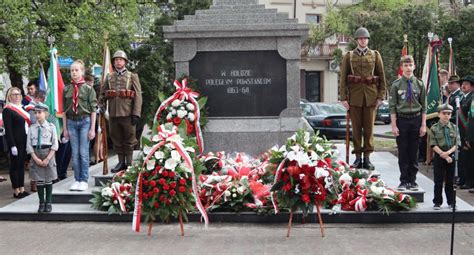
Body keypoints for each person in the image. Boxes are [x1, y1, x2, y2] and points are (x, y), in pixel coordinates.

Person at [339, 27, 387, 170]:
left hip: (371, 98)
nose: (363, 40)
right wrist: (343, 98)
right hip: (354, 98)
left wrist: (380, 96)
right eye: (360, 38)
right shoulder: (349, 56)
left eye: (365, 38)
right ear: (356, 40)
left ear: (368, 40)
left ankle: (367, 158)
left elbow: (382, 77)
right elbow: (343, 79)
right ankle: (358, 158)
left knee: (369, 130)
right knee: (356, 129)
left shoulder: (375, 55)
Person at [100, 50, 142, 173]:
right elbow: (103, 94)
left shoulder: (132, 76)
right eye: (116, 60)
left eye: (120, 59)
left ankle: (129, 163)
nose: (118, 62)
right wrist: (101, 104)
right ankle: (120, 162)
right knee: (116, 138)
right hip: (113, 113)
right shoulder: (109, 77)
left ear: (125, 62)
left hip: (128, 113)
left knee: (129, 139)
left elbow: (138, 96)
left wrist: (136, 113)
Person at [389, 55, 427, 191]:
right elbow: (392, 107)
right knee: (403, 151)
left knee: (414, 152)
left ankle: (413, 180)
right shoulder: (396, 85)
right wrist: (394, 125)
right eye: (405, 65)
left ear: (414, 67)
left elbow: (424, 107)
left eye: (410, 65)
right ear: (402, 68)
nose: (408, 68)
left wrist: (423, 124)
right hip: (402, 120)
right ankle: (404, 180)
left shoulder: (420, 84)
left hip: (416, 120)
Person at [63, 60, 97, 191]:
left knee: (83, 152)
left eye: (76, 70)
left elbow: (93, 110)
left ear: (82, 72)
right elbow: (64, 111)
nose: (74, 72)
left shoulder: (88, 89)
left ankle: (83, 179)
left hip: (85, 122)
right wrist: (65, 128)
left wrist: (92, 129)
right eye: (72, 70)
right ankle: (76, 179)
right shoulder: (66, 89)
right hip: (71, 122)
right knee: (75, 153)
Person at [26, 103, 58, 213]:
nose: (37, 115)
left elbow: (55, 145)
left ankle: (48, 202)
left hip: (48, 154)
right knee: (39, 180)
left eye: (40, 112)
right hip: (36, 155)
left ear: (46, 113)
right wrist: (35, 158)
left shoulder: (51, 127)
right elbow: (29, 145)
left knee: (48, 179)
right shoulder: (31, 128)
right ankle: (41, 202)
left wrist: (48, 159)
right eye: (35, 113)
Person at [429, 103, 459, 210]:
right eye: (444, 113)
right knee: (438, 180)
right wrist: (444, 155)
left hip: (451, 156)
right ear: (438, 114)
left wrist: (448, 154)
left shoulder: (454, 127)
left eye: (449, 114)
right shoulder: (434, 128)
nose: (447, 116)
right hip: (439, 156)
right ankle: (437, 202)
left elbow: (457, 144)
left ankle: (451, 202)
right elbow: (433, 144)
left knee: (450, 181)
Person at [3, 87, 30, 198]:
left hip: (24, 141)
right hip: (15, 142)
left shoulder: (22, 108)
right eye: (14, 94)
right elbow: (8, 130)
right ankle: (16, 190)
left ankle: (22, 188)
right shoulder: (8, 109)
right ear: (9, 96)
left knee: (21, 166)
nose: (17, 96)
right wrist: (12, 145)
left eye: (18, 94)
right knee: (15, 166)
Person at [457, 75, 473, 190]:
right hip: (463, 134)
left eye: (466, 84)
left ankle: (469, 181)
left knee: (469, 159)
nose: (463, 85)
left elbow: (471, 120)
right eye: (463, 83)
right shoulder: (464, 97)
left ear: (472, 87)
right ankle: (463, 179)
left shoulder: (472, 98)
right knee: (463, 158)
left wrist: (468, 136)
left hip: (469, 134)